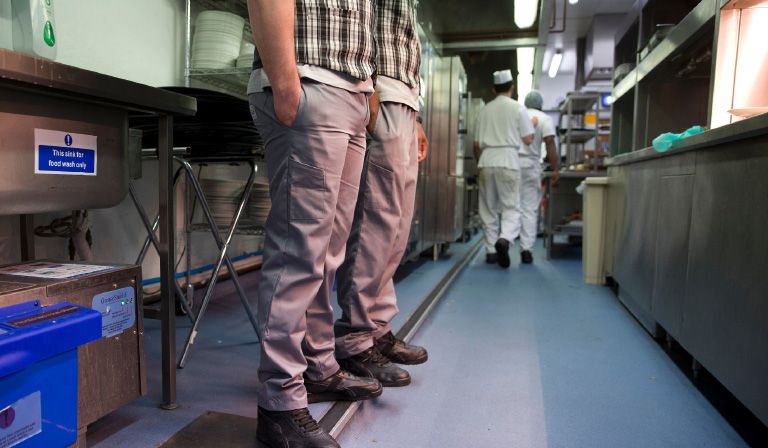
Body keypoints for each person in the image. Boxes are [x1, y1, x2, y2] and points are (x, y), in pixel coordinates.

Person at [246, 1, 382, 447]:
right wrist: (286, 82)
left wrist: (368, 91)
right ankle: (279, 401)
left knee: (328, 250)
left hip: (350, 91)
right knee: (298, 250)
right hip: (310, 78)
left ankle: (318, 364)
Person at [334, 0, 430, 388]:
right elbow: (363, 18)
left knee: (397, 226)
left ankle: (377, 327)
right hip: (381, 90)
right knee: (376, 222)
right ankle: (354, 337)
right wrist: (370, 86)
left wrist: (416, 115)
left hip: (404, 97)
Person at [473, 70, 535, 269]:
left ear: (493, 89)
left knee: (488, 207)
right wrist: (531, 126)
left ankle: (491, 252)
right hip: (509, 160)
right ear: (512, 88)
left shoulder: (484, 110)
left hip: (486, 160)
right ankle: (505, 239)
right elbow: (528, 139)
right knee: (511, 206)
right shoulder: (518, 108)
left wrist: (480, 162)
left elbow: (476, 144)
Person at [509, 90, 560, 265]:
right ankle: (526, 250)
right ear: (541, 104)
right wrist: (555, 169)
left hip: (513, 164)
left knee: (512, 207)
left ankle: (505, 241)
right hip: (531, 166)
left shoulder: (517, 116)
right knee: (529, 209)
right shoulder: (545, 119)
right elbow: (550, 143)